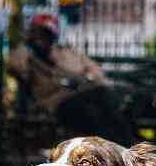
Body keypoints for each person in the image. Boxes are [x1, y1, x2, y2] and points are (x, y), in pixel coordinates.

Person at [8, 13, 134, 146]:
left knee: (108, 101)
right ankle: (115, 148)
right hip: (60, 101)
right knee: (93, 112)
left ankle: (125, 147)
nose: (42, 37)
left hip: (88, 92)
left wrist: (91, 78)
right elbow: (15, 67)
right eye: (38, 32)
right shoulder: (28, 58)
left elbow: (94, 69)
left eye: (46, 33)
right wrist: (26, 46)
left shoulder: (67, 52)